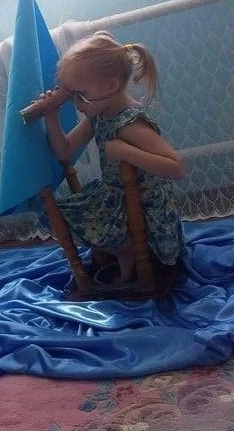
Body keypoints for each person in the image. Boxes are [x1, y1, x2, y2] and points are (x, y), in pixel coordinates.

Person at [40, 31, 185, 285]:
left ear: (111, 86)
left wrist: (127, 151)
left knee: (86, 221)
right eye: (70, 95)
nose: (75, 103)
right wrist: (51, 118)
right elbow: (65, 151)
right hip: (115, 195)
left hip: (142, 203)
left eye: (79, 95)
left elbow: (176, 167)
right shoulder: (99, 114)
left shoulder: (130, 124)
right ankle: (121, 250)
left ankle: (125, 250)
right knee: (63, 214)